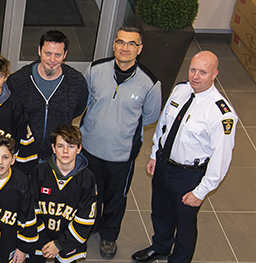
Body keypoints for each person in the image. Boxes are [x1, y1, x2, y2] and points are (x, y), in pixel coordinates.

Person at [132, 51, 238, 263]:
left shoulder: (222, 114)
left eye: (203, 72)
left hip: (188, 176)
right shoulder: (181, 90)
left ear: (215, 74)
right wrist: (155, 154)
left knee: (185, 225)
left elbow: (221, 159)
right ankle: (160, 247)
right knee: (160, 212)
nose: (195, 76)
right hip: (164, 165)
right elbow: (164, 123)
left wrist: (201, 191)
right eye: (193, 69)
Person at [80, 26, 162, 259]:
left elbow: (151, 116)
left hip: (122, 154)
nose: (125, 48)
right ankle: (88, 226)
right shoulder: (95, 70)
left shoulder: (150, 83)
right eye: (120, 42)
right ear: (114, 44)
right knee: (90, 193)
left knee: (117, 197)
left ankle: (109, 235)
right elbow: (85, 100)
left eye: (131, 44)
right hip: (89, 148)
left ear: (140, 49)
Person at [6, 30, 88, 169]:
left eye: (58, 55)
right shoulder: (18, 81)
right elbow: (9, 113)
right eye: (48, 53)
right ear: (39, 50)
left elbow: (78, 109)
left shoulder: (76, 82)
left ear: (65, 54)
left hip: (57, 158)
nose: (52, 60)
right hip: (23, 155)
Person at [29, 125, 96, 263]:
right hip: (40, 234)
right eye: (60, 146)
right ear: (53, 148)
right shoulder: (40, 172)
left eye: (71, 146)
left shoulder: (87, 179)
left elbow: (85, 220)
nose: (65, 151)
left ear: (79, 149)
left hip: (69, 239)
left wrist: (59, 244)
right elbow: (30, 207)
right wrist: (43, 237)